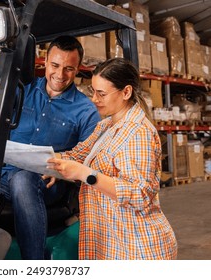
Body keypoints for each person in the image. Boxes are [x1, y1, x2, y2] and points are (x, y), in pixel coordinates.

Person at [0, 35, 101, 259]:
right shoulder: (23, 89)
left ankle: (33, 263)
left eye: (69, 69)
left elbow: (91, 157)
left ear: (78, 69)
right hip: (3, 174)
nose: (60, 75)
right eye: (55, 66)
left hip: (48, 183)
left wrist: (65, 169)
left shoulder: (86, 111)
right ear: (45, 61)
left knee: (23, 179)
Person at [47, 58, 177, 260]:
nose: (94, 99)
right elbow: (77, 155)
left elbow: (140, 194)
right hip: (111, 241)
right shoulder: (105, 126)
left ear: (126, 92)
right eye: (93, 92)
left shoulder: (138, 132)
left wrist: (85, 174)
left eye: (102, 94)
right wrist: (47, 161)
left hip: (137, 247)